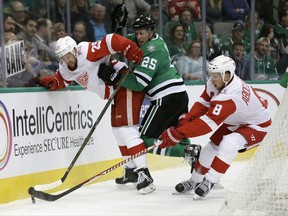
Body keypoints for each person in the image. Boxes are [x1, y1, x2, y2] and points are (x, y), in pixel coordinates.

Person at [37, 34, 155, 194]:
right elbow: (63, 79)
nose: (67, 60)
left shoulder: (86, 51)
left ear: (74, 50)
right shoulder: (65, 67)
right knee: (118, 131)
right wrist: (54, 82)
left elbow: (111, 40)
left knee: (127, 130)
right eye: (63, 58)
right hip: (114, 91)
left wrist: (129, 47)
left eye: (68, 55)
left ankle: (144, 174)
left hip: (124, 83)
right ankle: (131, 171)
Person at [158, 55, 271, 198]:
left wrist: (178, 133)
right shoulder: (217, 83)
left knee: (230, 143)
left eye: (216, 76)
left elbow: (206, 124)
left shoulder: (231, 95)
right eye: (212, 75)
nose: (213, 79)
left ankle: (211, 181)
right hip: (238, 121)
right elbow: (202, 104)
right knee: (210, 148)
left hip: (258, 126)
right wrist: (186, 121)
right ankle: (195, 181)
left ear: (227, 75)